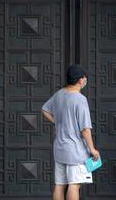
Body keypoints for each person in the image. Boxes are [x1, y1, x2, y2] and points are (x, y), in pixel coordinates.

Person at [42, 65, 100, 200]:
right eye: (85, 77)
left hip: (59, 149)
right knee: (74, 185)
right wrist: (92, 149)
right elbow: (85, 129)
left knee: (59, 185)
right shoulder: (80, 99)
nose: (85, 80)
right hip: (75, 151)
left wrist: (58, 121)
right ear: (80, 80)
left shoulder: (59, 94)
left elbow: (44, 110)